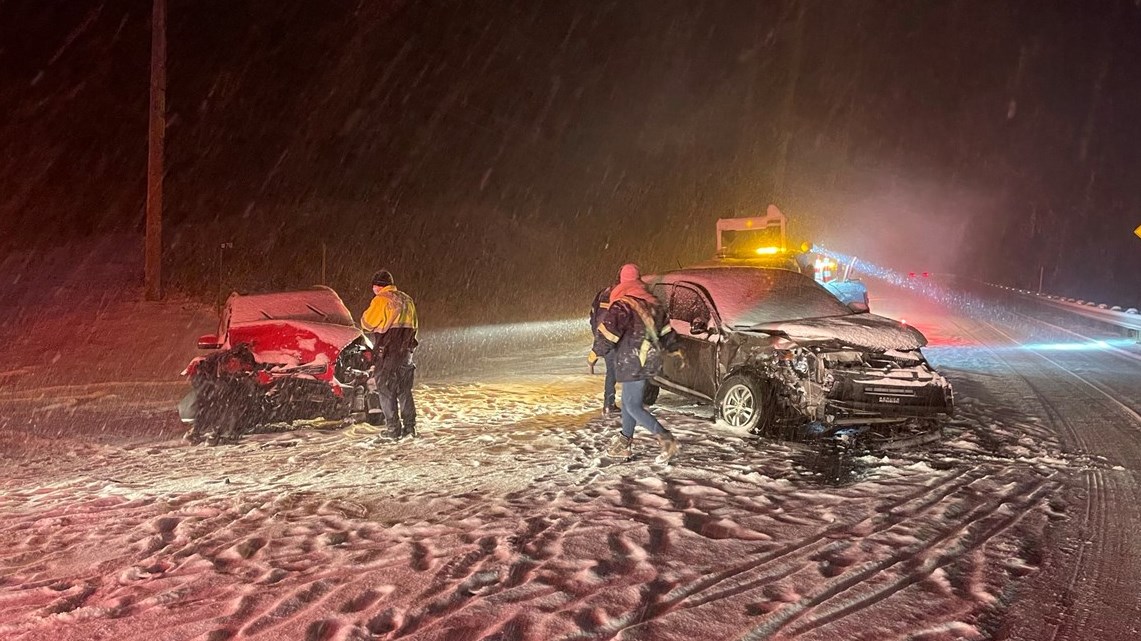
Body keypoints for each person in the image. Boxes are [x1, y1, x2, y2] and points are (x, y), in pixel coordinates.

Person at [589, 263, 680, 463]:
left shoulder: (622, 304)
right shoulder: (653, 304)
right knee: (629, 402)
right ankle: (624, 441)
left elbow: (609, 332)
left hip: (631, 359)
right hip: (648, 359)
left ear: (622, 281)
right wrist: (675, 350)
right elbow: (666, 332)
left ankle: (666, 440)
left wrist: (596, 352)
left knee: (632, 406)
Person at [360, 269, 419, 439]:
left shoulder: (381, 300)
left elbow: (367, 323)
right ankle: (410, 428)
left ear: (377, 286)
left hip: (388, 351)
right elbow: (415, 326)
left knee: (386, 390)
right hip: (406, 352)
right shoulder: (407, 299)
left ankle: (393, 429)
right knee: (404, 390)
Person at [589, 279, 619, 416]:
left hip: (603, 336)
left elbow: (593, 315)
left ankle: (609, 403)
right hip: (611, 337)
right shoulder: (620, 294)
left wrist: (597, 333)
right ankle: (609, 404)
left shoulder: (602, 293)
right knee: (613, 371)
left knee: (612, 371)